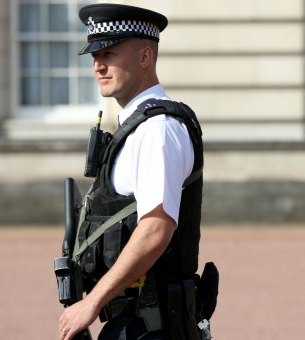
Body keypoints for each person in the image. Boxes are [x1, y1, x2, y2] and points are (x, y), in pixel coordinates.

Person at [58, 4, 216, 339]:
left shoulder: (157, 129)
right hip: (134, 320)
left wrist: (92, 302)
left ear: (145, 57)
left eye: (109, 54)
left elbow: (156, 228)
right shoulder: (136, 126)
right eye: (94, 56)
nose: (98, 65)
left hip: (151, 322)